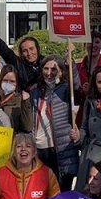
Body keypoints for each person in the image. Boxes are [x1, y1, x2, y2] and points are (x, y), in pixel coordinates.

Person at [20, 55, 78, 190]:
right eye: (46, 68)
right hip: (39, 146)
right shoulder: (35, 91)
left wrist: (71, 67)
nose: (49, 72)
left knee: (60, 190)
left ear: (61, 71)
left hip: (58, 147)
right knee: (41, 190)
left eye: (54, 69)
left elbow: (76, 87)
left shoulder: (65, 89)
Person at [0, 19, 42, 91]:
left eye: (31, 49)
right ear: (21, 53)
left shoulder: (46, 63)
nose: (29, 53)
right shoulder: (18, 64)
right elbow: (4, 50)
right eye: (25, 51)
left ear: (37, 49)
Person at [0, 65, 27, 134]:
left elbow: (27, 126)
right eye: (5, 80)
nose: (8, 84)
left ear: (17, 83)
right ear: (0, 80)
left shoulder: (21, 101)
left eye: (12, 81)